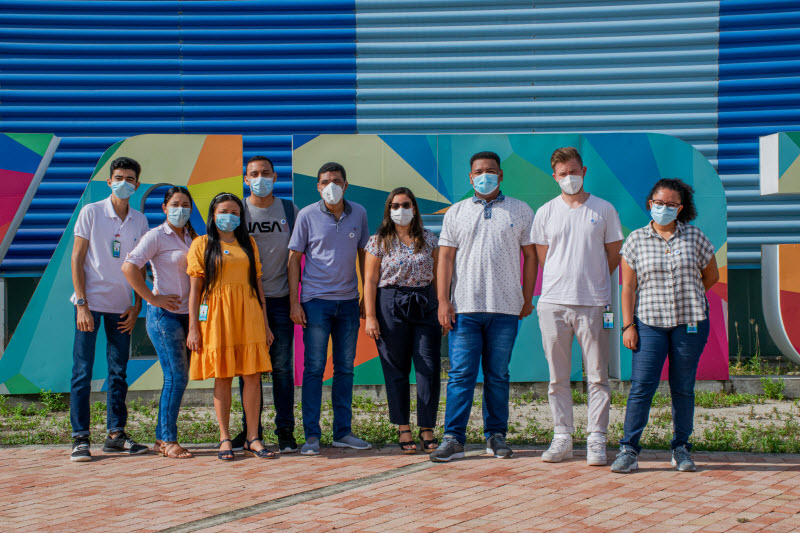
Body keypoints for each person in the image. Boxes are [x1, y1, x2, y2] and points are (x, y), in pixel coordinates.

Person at [430, 151, 537, 462]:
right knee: (461, 374)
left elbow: (530, 256)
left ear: (501, 175)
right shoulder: (457, 212)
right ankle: (453, 439)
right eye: (479, 171)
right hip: (464, 307)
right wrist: (443, 301)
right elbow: (446, 258)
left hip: (506, 309)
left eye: (491, 171)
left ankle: (496, 436)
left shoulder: (520, 209)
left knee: (498, 375)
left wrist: (527, 297)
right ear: (470, 176)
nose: (485, 175)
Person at [611, 178, 719, 474]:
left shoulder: (694, 237)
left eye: (671, 205)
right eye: (659, 203)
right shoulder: (635, 240)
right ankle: (629, 450)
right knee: (642, 387)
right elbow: (628, 287)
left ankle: (681, 448)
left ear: (680, 208)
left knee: (683, 388)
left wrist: (690, 296)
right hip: (648, 324)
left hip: (690, 323)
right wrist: (628, 326)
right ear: (650, 204)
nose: (664, 209)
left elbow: (711, 276)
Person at [532, 146, 623, 466]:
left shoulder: (604, 209)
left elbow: (613, 253)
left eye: (574, 171)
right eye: (562, 174)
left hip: (594, 304)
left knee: (598, 376)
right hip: (553, 304)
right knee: (557, 378)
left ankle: (597, 438)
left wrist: (591, 279)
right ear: (554, 177)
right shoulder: (545, 212)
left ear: (584, 171)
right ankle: (562, 437)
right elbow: (544, 256)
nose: (569, 178)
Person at [69, 156, 151, 462]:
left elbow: (140, 266)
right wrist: (81, 304)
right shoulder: (91, 212)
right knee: (82, 373)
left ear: (137, 184)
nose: (124, 183)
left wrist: (137, 304)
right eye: (119, 177)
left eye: (130, 178)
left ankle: (116, 435)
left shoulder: (140, 220)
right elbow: (77, 259)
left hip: (122, 308)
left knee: (118, 373)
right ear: (109, 181)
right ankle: (80, 439)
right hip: (89, 305)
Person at [288, 162, 372, 455]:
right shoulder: (307, 215)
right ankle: (312, 435)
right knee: (313, 369)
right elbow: (293, 260)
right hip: (315, 303)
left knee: (345, 370)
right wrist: (294, 302)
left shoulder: (358, 213)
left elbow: (365, 256)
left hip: (349, 303)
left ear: (346, 185)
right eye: (325, 181)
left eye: (336, 180)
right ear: (318, 186)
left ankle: (343, 432)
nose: (331, 186)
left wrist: (366, 297)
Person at [185, 193, 275, 460]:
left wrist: (266, 324)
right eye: (224, 211)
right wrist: (193, 327)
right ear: (213, 215)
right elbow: (195, 291)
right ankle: (224, 438)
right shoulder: (201, 245)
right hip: (215, 316)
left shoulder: (249, 244)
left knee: (252, 376)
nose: (230, 216)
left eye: (235, 212)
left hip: (249, 315)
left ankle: (252, 438)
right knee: (222, 375)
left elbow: (258, 285)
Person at [229, 156, 300, 454]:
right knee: (249, 370)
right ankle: (250, 430)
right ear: (246, 179)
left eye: (266, 173)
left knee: (283, 368)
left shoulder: (288, 210)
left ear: (275, 177)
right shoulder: (236, 211)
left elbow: (299, 255)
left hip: (282, 300)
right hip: (246, 303)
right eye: (254, 174)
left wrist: (297, 299)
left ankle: (285, 430)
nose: (260, 178)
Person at [364, 187, 441, 454]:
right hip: (389, 304)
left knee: (427, 368)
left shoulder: (429, 239)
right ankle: (403, 427)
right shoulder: (378, 241)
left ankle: (427, 427)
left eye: (406, 204)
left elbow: (440, 276)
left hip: (425, 303)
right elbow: (371, 280)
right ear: (388, 210)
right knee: (395, 369)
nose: (400, 210)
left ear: (415, 208)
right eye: (395, 205)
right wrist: (371, 317)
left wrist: (442, 306)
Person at [122, 186, 197, 459]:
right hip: (165, 317)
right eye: (175, 204)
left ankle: (160, 437)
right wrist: (152, 298)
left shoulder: (193, 237)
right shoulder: (155, 236)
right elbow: (129, 266)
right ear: (165, 208)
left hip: (189, 316)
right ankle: (168, 440)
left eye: (186, 204)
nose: (181, 209)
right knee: (176, 377)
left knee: (179, 378)